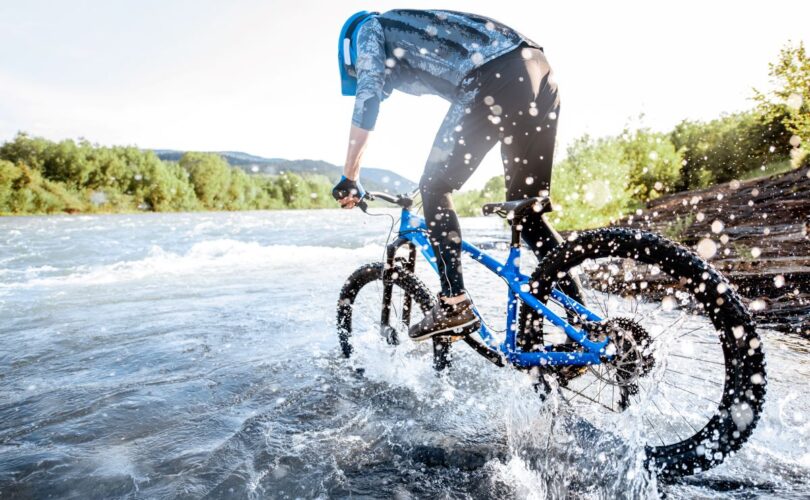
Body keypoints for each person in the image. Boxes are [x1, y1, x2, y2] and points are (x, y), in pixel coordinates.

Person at [332, 9, 570, 342]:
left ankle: (454, 304)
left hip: (494, 73)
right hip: (537, 70)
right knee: (526, 216)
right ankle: (587, 327)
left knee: (434, 185)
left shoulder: (368, 29)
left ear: (350, 54)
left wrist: (350, 176)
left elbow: (368, 96)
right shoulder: (416, 34)